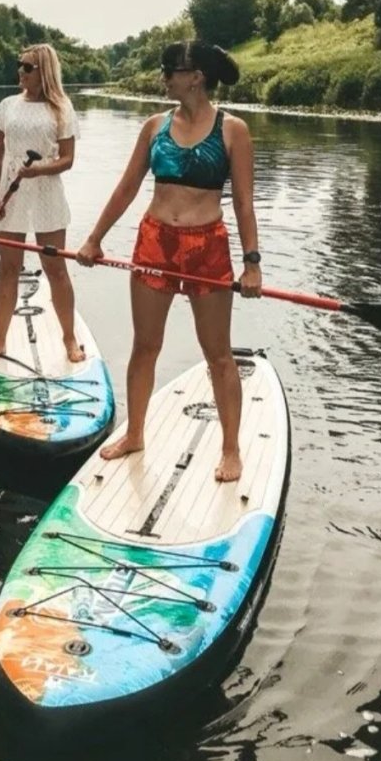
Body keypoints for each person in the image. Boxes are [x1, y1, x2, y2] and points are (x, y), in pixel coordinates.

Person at [77, 39, 262, 482]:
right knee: (145, 346)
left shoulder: (233, 130)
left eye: (170, 69)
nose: (164, 77)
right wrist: (94, 240)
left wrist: (251, 263)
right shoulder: (154, 126)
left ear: (195, 76)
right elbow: (126, 188)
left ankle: (231, 450)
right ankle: (135, 433)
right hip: (155, 242)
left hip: (207, 247)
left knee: (217, 353)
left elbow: (244, 202)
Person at [0, 42, 84, 364]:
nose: (20, 72)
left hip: (46, 192)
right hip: (9, 190)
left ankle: (69, 339)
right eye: (20, 65)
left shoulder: (62, 108)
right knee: (8, 267)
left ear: (44, 72)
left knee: (55, 268)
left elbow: (67, 160)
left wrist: (40, 168)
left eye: (27, 67)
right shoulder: (7, 105)